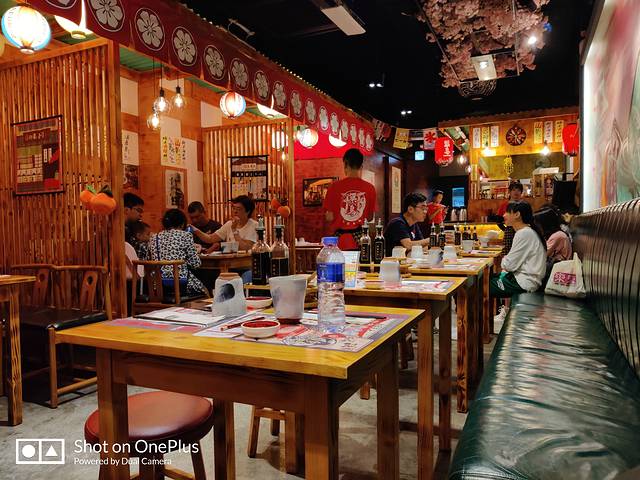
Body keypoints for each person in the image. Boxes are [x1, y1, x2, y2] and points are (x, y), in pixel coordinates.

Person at [491, 201, 546, 322]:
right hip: (521, 279)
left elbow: (509, 265)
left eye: (507, 212)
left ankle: (478, 325)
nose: (504, 215)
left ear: (517, 214)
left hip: (524, 283)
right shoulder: (527, 231)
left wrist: (505, 260)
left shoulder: (524, 233)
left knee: (478, 286)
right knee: (484, 280)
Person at [191, 195, 258, 283]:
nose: (235, 211)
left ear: (247, 211)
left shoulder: (254, 225)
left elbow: (245, 247)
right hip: (229, 265)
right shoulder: (229, 224)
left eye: (238, 209)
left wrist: (234, 230)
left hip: (247, 266)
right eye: (234, 208)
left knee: (245, 277)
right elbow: (210, 238)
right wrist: (196, 230)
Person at [323, 148, 377, 250]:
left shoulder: (334, 187)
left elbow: (329, 217)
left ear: (345, 165)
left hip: (339, 239)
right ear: (361, 166)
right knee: (362, 260)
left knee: (338, 261)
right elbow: (370, 218)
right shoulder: (370, 188)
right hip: (360, 239)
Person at [148, 209, 206, 296]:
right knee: (205, 290)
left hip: (157, 284)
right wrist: (196, 252)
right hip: (180, 284)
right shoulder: (185, 235)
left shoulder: (154, 237)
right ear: (182, 224)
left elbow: (149, 260)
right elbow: (196, 264)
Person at [497, 181, 524, 255]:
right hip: (509, 232)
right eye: (514, 190)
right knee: (507, 253)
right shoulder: (505, 205)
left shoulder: (524, 205)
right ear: (509, 192)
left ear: (521, 192)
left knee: (521, 252)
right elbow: (498, 221)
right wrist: (506, 229)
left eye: (518, 190)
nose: (516, 192)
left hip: (522, 231)